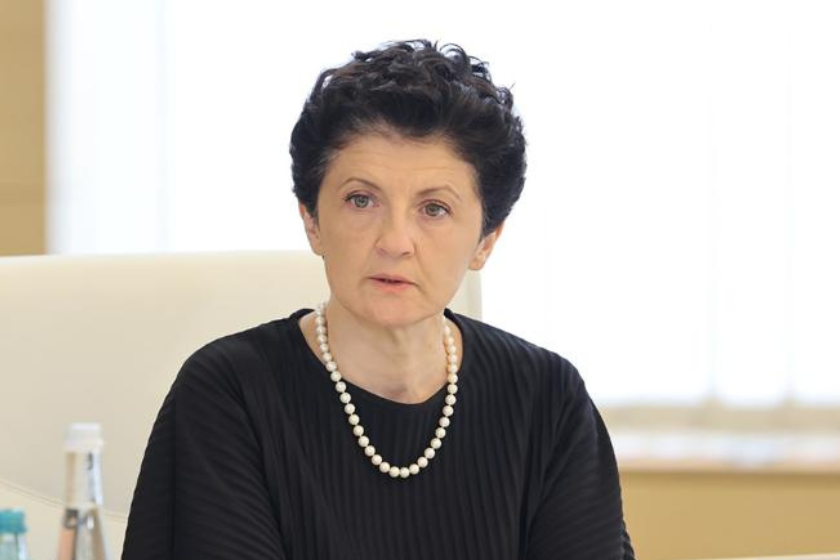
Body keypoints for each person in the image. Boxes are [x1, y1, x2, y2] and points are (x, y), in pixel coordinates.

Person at [121, 39, 636, 560]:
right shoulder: (230, 394)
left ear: (486, 240)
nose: (395, 241)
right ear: (312, 221)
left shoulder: (548, 400)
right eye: (361, 200)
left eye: (434, 209)